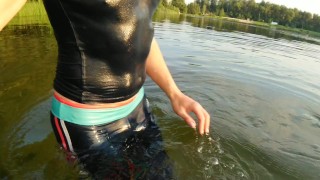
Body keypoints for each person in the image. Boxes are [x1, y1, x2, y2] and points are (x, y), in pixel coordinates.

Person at [1, 0, 210, 178]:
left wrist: (174, 93)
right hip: (87, 122)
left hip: (139, 110)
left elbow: (138, 27)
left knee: (163, 175)